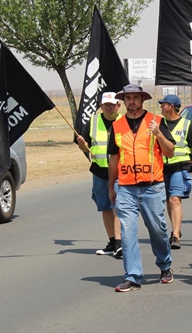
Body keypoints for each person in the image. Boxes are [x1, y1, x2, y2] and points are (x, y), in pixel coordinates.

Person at [107, 84, 176, 292]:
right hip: (126, 188)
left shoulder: (156, 121)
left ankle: (165, 265)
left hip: (152, 187)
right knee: (127, 231)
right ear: (123, 101)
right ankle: (132, 275)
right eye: (128, 98)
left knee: (157, 229)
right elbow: (114, 159)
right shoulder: (117, 126)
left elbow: (170, 152)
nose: (131, 101)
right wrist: (111, 186)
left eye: (135, 97)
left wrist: (159, 134)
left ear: (142, 99)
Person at [76, 92, 122, 259]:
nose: (108, 107)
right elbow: (85, 147)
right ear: (101, 106)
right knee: (105, 206)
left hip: (119, 171)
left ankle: (119, 242)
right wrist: (82, 144)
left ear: (118, 106)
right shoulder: (93, 121)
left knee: (118, 206)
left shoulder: (124, 121)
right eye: (105, 105)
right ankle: (112, 241)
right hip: (99, 171)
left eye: (112, 105)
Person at [158, 94, 192, 249]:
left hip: (179, 167)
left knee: (175, 199)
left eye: (163, 104)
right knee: (168, 200)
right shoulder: (159, 124)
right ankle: (176, 227)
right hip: (162, 168)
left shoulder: (186, 124)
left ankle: (175, 235)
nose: (161, 107)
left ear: (172, 106)